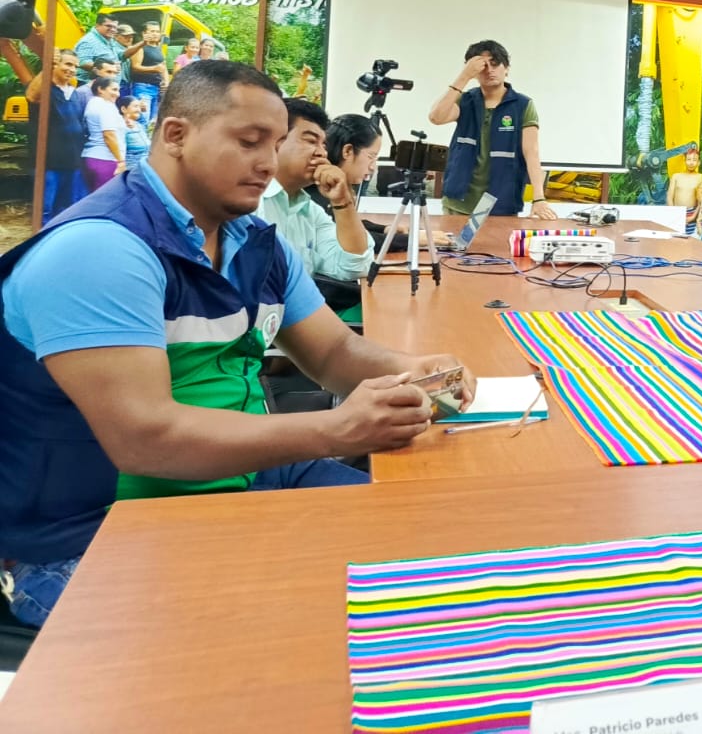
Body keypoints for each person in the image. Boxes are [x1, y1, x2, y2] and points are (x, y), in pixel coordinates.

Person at [0, 60, 474, 628]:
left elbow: (334, 353)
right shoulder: (100, 252)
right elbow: (147, 441)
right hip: (94, 533)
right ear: (176, 135)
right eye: (250, 142)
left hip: (249, 475)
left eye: (275, 143)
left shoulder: (254, 243)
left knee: (443, 553)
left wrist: (413, 367)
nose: (269, 162)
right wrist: (336, 430)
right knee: (292, 638)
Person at [427, 40, 557, 220]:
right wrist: (464, 76)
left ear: (507, 68)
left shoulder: (522, 105)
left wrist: (539, 198)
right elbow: (436, 117)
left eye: (495, 64)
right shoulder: (465, 100)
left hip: (500, 202)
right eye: (482, 66)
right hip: (459, 200)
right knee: (453, 240)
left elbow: (531, 153)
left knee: (493, 240)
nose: (489, 70)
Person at [258, 99, 374, 282]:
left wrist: (343, 202)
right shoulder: (249, 203)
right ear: (275, 141)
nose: (322, 153)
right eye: (311, 141)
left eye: (324, 145)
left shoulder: (310, 211)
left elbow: (356, 266)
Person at [25, 49, 87, 222]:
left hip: (72, 162)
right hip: (49, 164)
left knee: (66, 209)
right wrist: (48, 66)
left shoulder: (74, 93)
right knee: (44, 209)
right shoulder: (44, 89)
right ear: (55, 64)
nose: (72, 69)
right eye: (68, 64)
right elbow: (31, 96)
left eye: (75, 66)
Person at [320, 112, 383, 206]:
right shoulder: (319, 197)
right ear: (347, 151)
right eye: (371, 156)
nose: (372, 167)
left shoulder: (346, 186)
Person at [80, 76, 124, 191]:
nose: (118, 94)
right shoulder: (106, 106)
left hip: (91, 157)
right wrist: (121, 161)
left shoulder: (92, 104)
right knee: (106, 198)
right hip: (106, 159)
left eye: (118, 90)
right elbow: (109, 135)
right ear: (100, 89)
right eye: (114, 90)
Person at [129, 21, 169, 127]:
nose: (155, 34)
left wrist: (166, 81)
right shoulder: (140, 48)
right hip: (143, 88)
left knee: (152, 122)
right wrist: (154, 69)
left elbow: (163, 67)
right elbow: (135, 67)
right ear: (144, 33)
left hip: (157, 89)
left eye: (157, 31)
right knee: (142, 119)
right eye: (152, 31)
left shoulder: (158, 48)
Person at [72, 13, 129, 85]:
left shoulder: (109, 40)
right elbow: (83, 63)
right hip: (91, 86)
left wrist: (141, 44)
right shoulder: (88, 41)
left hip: (107, 86)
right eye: (109, 26)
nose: (112, 29)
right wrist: (109, 67)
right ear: (97, 25)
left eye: (115, 27)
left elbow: (121, 55)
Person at [666, 147, 702, 235]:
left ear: (699, 162)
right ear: (684, 161)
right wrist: (674, 214)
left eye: (694, 160)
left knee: (690, 239)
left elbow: (700, 201)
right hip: (676, 212)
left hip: (692, 214)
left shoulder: (701, 177)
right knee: (675, 239)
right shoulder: (676, 176)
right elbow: (669, 197)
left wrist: (693, 217)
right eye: (689, 159)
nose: (691, 162)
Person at [118, 95, 151, 170]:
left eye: (139, 107)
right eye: (135, 106)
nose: (139, 109)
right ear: (123, 109)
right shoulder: (120, 126)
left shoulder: (139, 125)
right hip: (131, 168)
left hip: (145, 167)